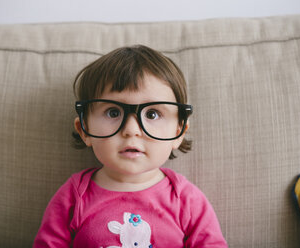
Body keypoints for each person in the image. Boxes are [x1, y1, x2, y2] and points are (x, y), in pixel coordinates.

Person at [33, 45, 228, 247]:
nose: (131, 130)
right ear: (84, 129)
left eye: (152, 114)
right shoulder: (73, 197)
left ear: (179, 132)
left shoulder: (186, 200)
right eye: (113, 112)